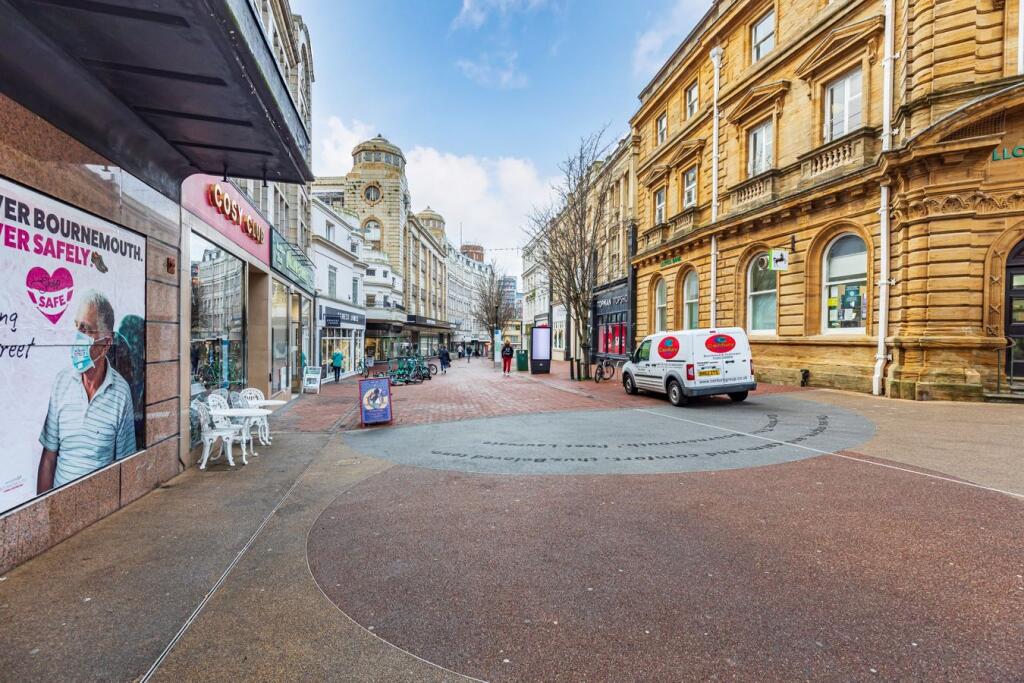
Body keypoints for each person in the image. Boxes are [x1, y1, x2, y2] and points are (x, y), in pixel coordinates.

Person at [37, 290, 137, 494]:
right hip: (61, 503)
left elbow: (125, 468)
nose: (77, 337)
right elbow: (48, 457)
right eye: (76, 326)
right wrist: (42, 507)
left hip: (99, 507)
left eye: (86, 329)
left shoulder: (121, 393)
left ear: (106, 343)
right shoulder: (61, 382)